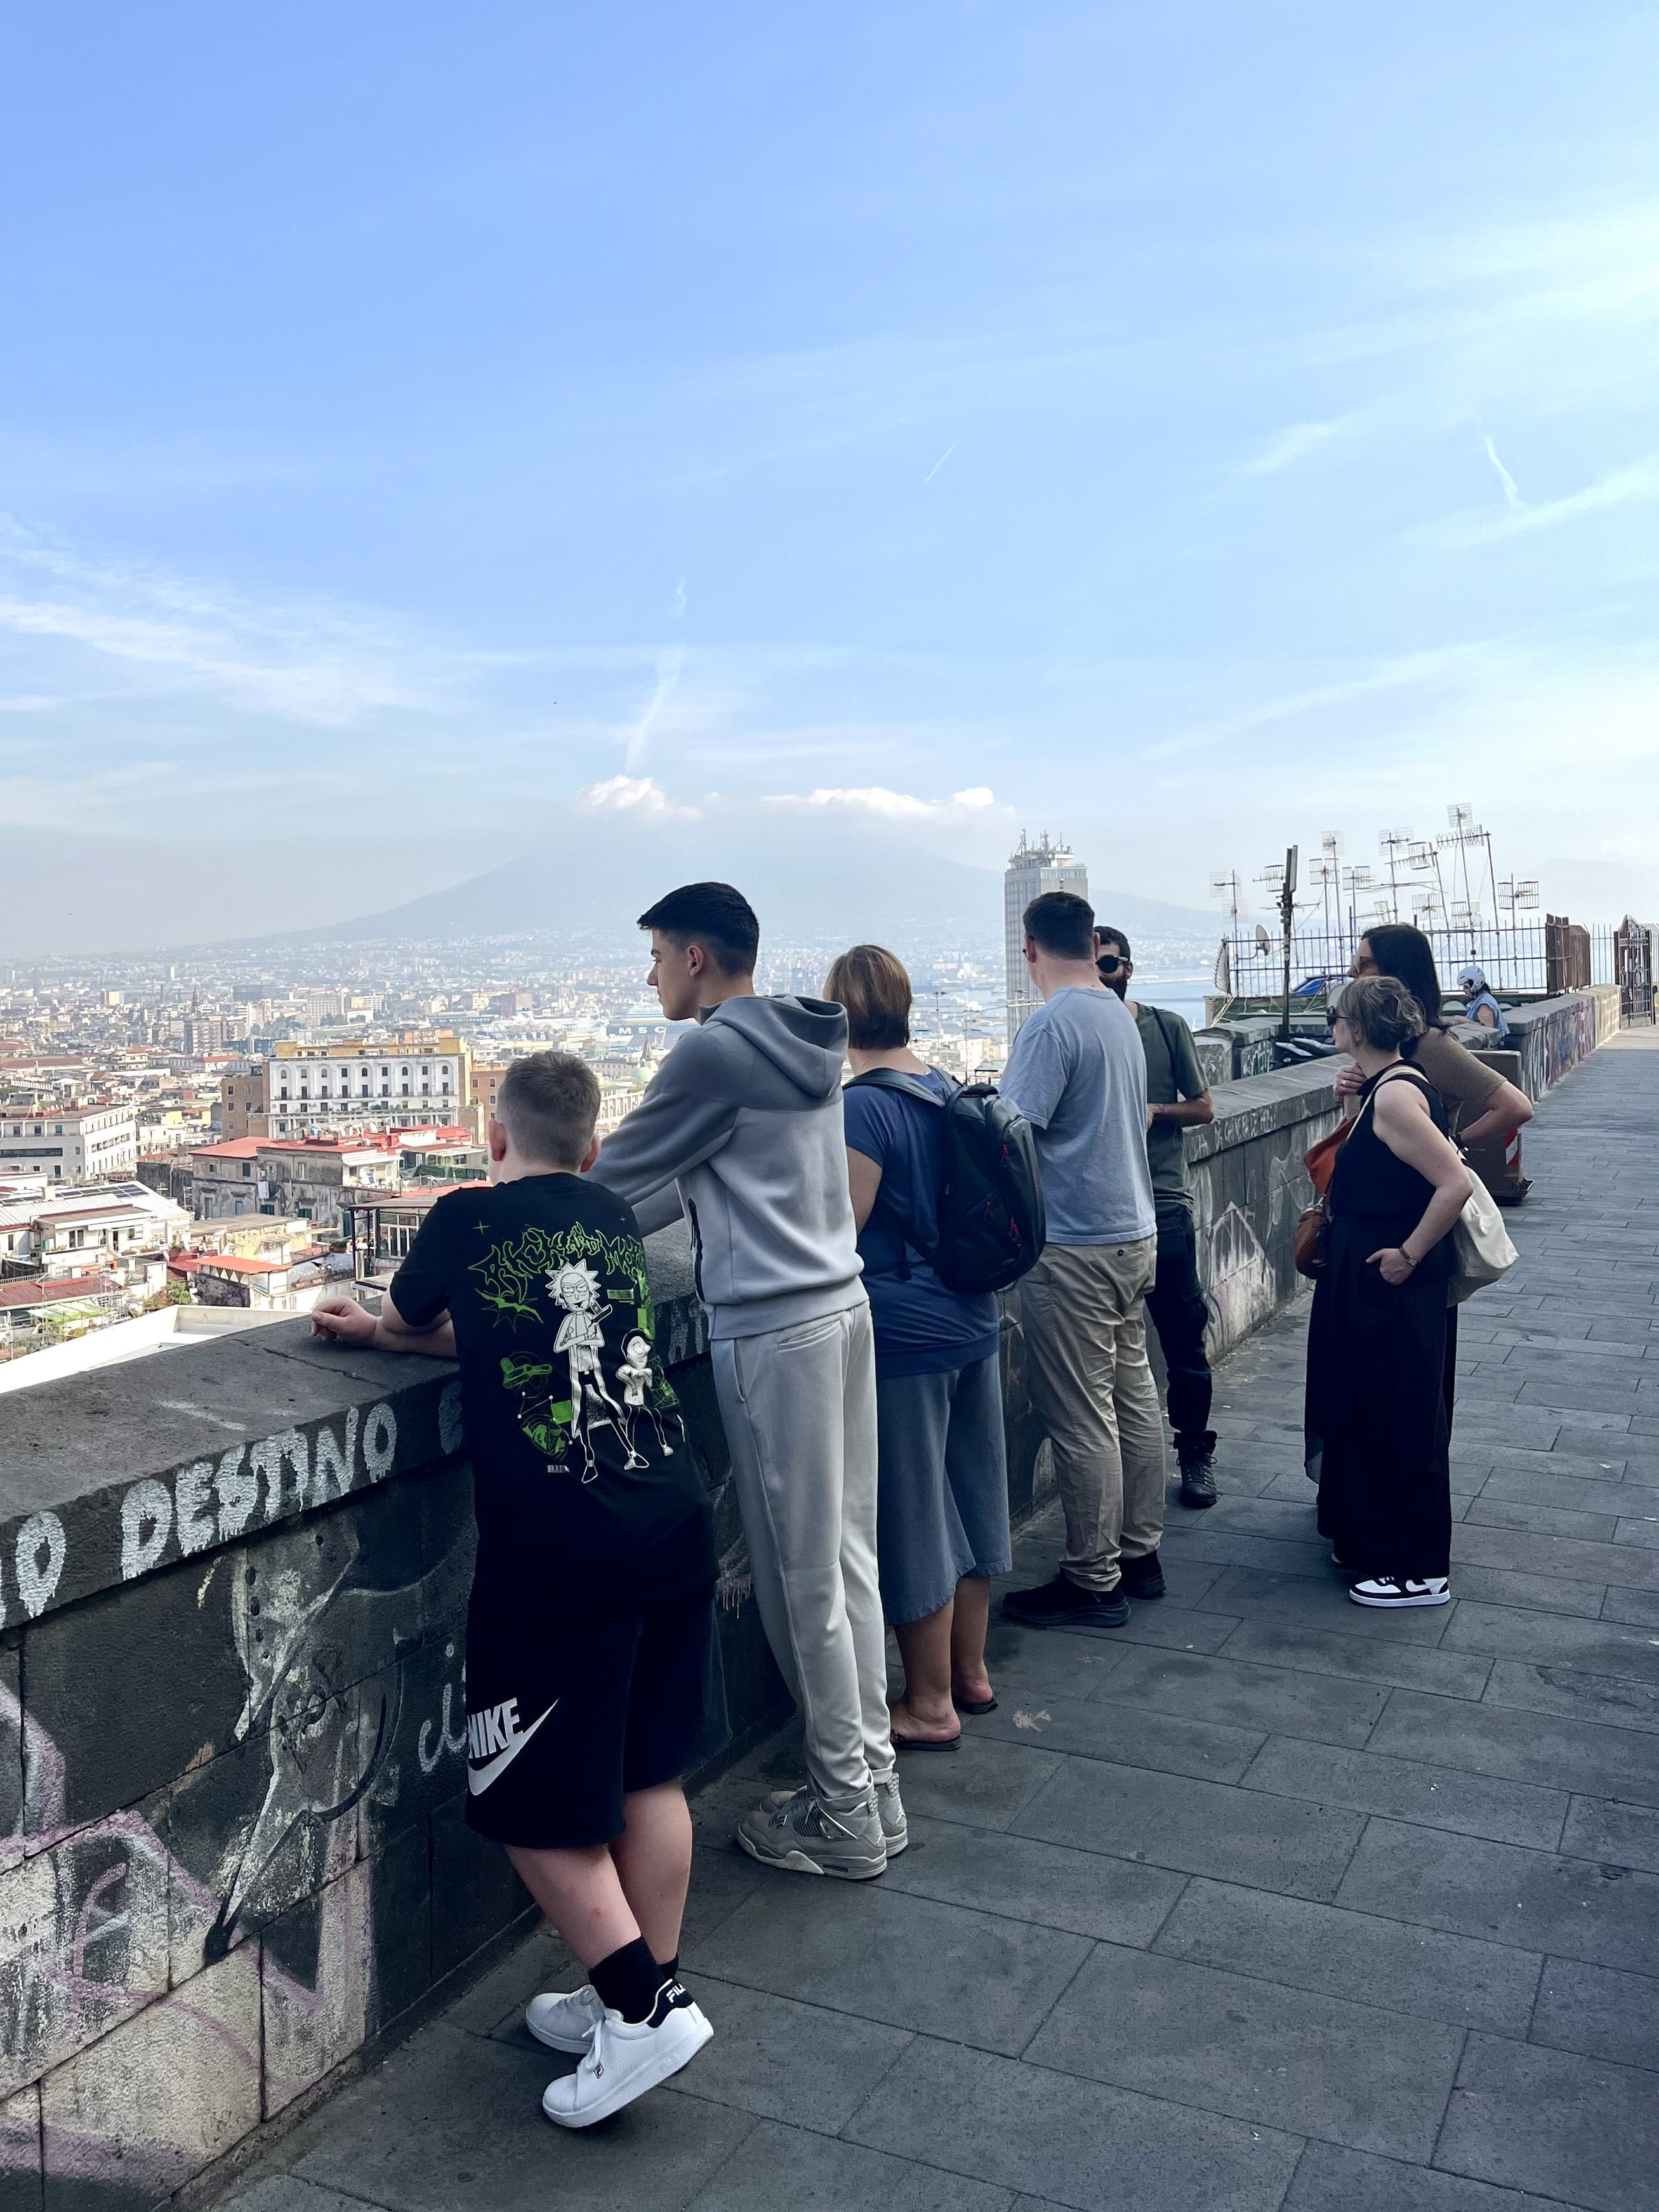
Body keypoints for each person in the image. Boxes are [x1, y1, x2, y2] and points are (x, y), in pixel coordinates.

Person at [311, 1053, 726, 2129]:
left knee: (521, 1786)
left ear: (494, 1140)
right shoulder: (609, 1216)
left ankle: (640, 2013)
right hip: (671, 1512)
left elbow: (414, 1314)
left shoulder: (460, 1216)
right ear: (589, 1150)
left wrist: (379, 1332)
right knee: (648, 1768)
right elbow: (527, 1335)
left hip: (562, 1545)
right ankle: (644, 1988)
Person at [585, 883, 902, 1881]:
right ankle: (872, 1789)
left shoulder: (713, 1052)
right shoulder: (800, 1040)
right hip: (842, 1310)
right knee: (846, 1563)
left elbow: (605, 1187)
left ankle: (844, 1813)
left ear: (693, 958)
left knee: (801, 1575)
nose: (648, 978)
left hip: (774, 1330)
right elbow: (688, 1184)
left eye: (655, 957)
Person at [826, 943, 1012, 1751]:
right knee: (973, 1496)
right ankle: (970, 1674)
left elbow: (843, 1230)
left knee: (915, 1512)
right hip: (973, 1314)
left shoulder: (862, 1108)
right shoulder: (941, 1087)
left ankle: (928, 1703)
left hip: (904, 1332)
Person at [998, 890, 1166, 1626]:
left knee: (1080, 1417)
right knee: (1134, 1401)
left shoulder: (1052, 1025)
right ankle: (1140, 1551)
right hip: (1135, 1234)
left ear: (1028, 949)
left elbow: (1009, 1137)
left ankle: (1094, 1578)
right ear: (1093, 943)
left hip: (1074, 1244)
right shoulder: (1116, 1014)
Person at [1307, 977, 1473, 1607]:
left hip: (1392, 1278)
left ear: (1356, 1029)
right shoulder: (1383, 1088)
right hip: (1371, 1276)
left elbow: (1452, 1185)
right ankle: (1372, 1539)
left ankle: (1417, 1569)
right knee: (1370, 1407)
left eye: (1335, 1018)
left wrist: (1407, 1256)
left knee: (1402, 1416)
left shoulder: (1397, 1097)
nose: (1331, 1027)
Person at [1344, 925, 1533, 1428]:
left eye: (1364, 964)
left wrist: (1457, 1142)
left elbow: (1515, 1106)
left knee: (1411, 1370)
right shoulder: (1380, 1046)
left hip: (1418, 1218)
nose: (1351, 972)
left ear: (1394, 974)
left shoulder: (1429, 1045)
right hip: (1377, 1216)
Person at [1095, 928, 1220, 1509]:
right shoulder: (1078, 1031)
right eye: (1094, 963)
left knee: (1182, 1340)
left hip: (1164, 1204)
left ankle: (1195, 1452)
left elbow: (1204, 1107)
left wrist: (1156, 1111)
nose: (1104, 972)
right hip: (1103, 1213)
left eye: (1112, 962)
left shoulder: (1165, 1028)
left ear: (1129, 967)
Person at [1457, 962, 1511, 1039]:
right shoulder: (1484, 999)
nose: (1464, 990)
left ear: (1475, 985)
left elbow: (1488, 1030)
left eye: (1466, 987)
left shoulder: (1484, 1005)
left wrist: (1465, 1022)